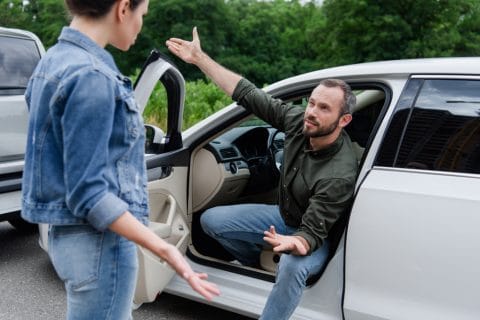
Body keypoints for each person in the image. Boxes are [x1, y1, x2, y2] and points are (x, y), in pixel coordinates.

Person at [21, 2, 219, 319]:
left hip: (67, 238)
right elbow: (89, 194)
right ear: (123, 7)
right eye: (143, 15)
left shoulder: (52, 63)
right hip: (100, 246)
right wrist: (163, 246)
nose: (141, 25)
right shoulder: (92, 76)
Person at [166, 27, 358, 320]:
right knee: (210, 220)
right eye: (311, 102)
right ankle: (258, 262)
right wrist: (200, 59)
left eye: (323, 108)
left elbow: (312, 233)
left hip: (317, 235)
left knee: (292, 265)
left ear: (344, 120)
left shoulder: (339, 172)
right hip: (285, 218)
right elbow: (248, 94)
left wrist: (296, 243)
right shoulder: (300, 123)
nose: (312, 111)